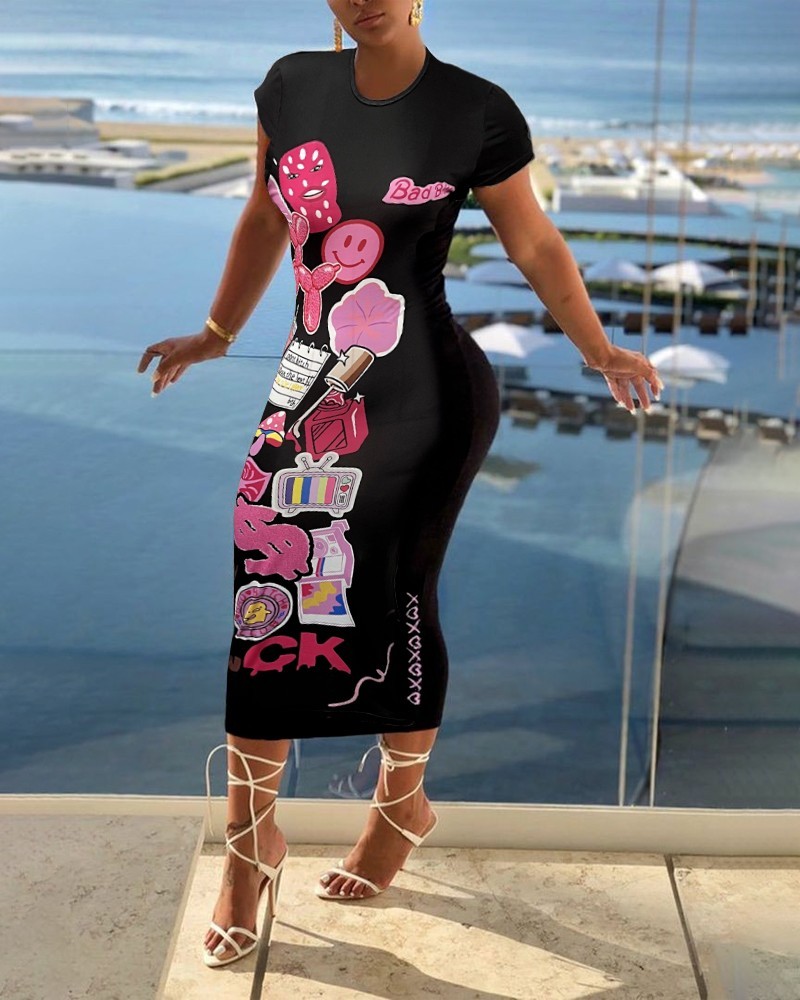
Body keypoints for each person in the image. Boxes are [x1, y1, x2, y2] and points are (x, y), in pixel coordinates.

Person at [137, 0, 662, 973]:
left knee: (394, 592)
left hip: (429, 394)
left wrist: (598, 351)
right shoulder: (290, 86)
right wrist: (214, 332)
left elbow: (534, 243)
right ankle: (249, 845)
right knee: (268, 594)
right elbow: (265, 213)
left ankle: (399, 805)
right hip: (310, 386)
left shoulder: (475, 109)